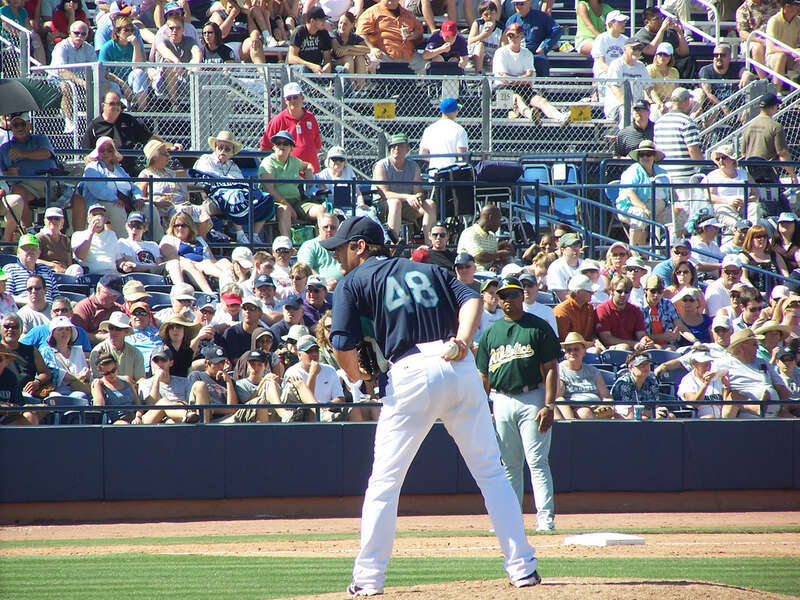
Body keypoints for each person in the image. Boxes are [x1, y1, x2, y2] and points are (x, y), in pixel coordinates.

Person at [323, 216, 543, 593]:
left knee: (385, 483)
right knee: (492, 473)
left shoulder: (352, 281)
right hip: (457, 365)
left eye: (341, 248)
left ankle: (368, 578)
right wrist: (461, 339)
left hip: (409, 370)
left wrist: (361, 377)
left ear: (360, 246)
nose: (337, 256)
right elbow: (472, 297)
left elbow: (342, 347)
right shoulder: (430, 269)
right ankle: (523, 567)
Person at [476, 275, 559, 530]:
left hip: (532, 397)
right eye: (502, 295)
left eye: (512, 294)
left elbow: (551, 368)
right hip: (500, 399)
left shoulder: (538, 326)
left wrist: (549, 404)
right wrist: (483, 408)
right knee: (509, 465)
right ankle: (510, 520)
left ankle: (544, 519)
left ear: (522, 295)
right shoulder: (491, 332)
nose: (507, 299)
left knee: (536, 461)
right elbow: (483, 375)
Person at [492, 23, 570, 125]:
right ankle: (531, 116)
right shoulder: (500, 52)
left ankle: (561, 117)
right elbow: (502, 79)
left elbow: (529, 77)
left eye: (513, 35)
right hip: (502, 89)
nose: (511, 38)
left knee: (541, 101)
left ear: (521, 36)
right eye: (509, 35)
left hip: (522, 87)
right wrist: (521, 79)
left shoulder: (527, 53)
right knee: (517, 98)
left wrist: (513, 80)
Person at [0, 112, 59, 242]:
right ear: (12, 127)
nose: (19, 127)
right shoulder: (4, 149)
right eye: (16, 124)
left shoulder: (40, 139)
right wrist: (11, 174)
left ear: (29, 125)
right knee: (18, 193)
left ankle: (76, 239)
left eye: (22, 124)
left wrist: (22, 154)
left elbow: (46, 153)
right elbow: (4, 173)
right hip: (23, 186)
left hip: (46, 181)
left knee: (78, 198)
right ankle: (28, 232)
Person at [372, 132, 437, 244]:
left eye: (400, 146)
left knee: (430, 204)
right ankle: (393, 244)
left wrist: (417, 197)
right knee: (396, 202)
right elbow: (384, 194)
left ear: (407, 149)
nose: (396, 149)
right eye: (393, 146)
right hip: (383, 206)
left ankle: (429, 245)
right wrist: (407, 197)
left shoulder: (414, 166)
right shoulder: (381, 165)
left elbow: (418, 192)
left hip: (407, 206)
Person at [716, 328, 790, 417]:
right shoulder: (724, 363)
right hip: (743, 414)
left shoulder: (762, 362)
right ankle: (757, 407)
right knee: (734, 395)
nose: (758, 347)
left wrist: (783, 408)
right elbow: (717, 389)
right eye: (754, 344)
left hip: (775, 413)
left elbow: (781, 387)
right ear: (741, 346)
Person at [81, 136, 144, 238]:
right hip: (102, 201)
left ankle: (154, 241)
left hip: (127, 201)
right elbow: (97, 189)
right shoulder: (92, 168)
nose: (105, 153)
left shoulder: (119, 169)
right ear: (97, 152)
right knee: (117, 208)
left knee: (148, 208)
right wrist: (114, 198)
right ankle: (124, 243)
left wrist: (138, 197)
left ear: (113, 152)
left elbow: (132, 186)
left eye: (109, 150)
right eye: (102, 150)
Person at [258, 130, 317, 238]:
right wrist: (288, 206)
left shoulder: (294, 161)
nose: (282, 146)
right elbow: (269, 190)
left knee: (321, 210)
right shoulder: (267, 162)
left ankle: (323, 246)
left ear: (291, 148)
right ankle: (288, 246)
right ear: (274, 147)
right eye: (278, 143)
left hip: (298, 201)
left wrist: (309, 173)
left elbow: (308, 165)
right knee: (284, 210)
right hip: (275, 203)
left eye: (285, 143)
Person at [740, 93, 797, 199]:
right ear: (773, 107)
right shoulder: (775, 126)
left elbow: (743, 152)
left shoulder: (749, 127)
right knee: (780, 201)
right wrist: (793, 175)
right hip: (769, 173)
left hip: (752, 172)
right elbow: (782, 154)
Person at [280, 333, 347, 422]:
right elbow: (306, 404)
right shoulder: (292, 372)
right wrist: (312, 374)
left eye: (316, 350)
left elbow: (340, 399)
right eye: (309, 351)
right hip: (302, 417)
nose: (314, 354)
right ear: (299, 355)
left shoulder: (330, 370)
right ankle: (321, 415)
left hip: (327, 413)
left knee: (354, 410)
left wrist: (325, 407)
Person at [259, 82, 323, 172]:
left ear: (302, 97)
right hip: (288, 177)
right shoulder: (278, 120)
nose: (293, 100)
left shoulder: (311, 118)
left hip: (311, 173)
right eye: (289, 98)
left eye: (295, 97)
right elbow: (265, 148)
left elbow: (317, 146)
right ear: (285, 101)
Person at [617, 140, 671, 246]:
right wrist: (644, 208)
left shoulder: (662, 172)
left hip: (659, 210)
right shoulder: (632, 172)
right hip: (631, 208)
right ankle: (632, 250)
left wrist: (676, 206)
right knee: (641, 215)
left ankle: (672, 249)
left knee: (681, 214)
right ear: (638, 157)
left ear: (654, 156)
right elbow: (630, 193)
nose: (645, 157)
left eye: (649, 154)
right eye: (642, 154)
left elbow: (671, 193)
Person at [159, 211, 228, 293]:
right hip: (188, 267)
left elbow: (212, 259)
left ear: (190, 227)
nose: (180, 228)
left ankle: (234, 287)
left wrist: (209, 263)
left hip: (207, 265)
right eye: (176, 225)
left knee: (225, 262)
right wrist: (200, 264)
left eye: (183, 225)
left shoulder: (199, 239)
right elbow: (174, 258)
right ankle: (210, 293)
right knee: (191, 264)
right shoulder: (168, 239)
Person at [49, 19, 95, 134]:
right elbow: (62, 71)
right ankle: (69, 121)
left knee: (103, 83)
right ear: (70, 33)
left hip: (80, 81)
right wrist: (82, 82)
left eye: (83, 34)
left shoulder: (89, 48)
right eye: (76, 33)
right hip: (56, 80)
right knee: (66, 85)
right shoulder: (62, 47)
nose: (79, 36)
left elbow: (95, 69)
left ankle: (97, 120)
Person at [355, 0, 426, 75]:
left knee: (428, 66)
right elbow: (361, 34)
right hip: (382, 56)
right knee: (370, 62)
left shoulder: (408, 14)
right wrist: (372, 48)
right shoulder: (371, 12)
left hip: (409, 57)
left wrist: (415, 35)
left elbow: (419, 32)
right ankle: (372, 86)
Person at [555, 331, 615, 419]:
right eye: (569, 350)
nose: (572, 352)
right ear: (565, 353)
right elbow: (558, 397)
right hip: (574, 409)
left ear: (584, 351)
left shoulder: (593, 371)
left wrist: (607, 407)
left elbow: (606, 396)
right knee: (585, 412)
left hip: (597, 409)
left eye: (576, 349)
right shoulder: (560, 370)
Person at [98, 13, 151, 111]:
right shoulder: (108, 47)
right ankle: (120, 110)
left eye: (132, 30)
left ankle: (141, 111)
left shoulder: (135, 45)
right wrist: (123, 84)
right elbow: (104, 72)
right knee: (113, 86)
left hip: (131, 80)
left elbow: (137, 67)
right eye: (126, 30)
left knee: (139, 73)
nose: (130, 33)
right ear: (117, 32)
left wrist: (136, 46)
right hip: (115, 81)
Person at [704, 145, 761, 234]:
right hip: (724, 205)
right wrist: (728, 201)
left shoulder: (744, 174)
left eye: (724, 158)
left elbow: (756, 193)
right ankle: (742, 230)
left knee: (754, 207)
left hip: (745, 205)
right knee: (722, 210)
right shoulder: (712, 176)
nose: (721, 161)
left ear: (732, 160)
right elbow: (709, 195)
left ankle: (752, 234)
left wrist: (745, 200)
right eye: (718, 159)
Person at [136, 138, 188, 233]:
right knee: (181, 213)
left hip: (181, 204)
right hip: (163, 208)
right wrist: (157, 204)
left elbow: (190, 173)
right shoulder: (146, 174)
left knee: (200, 211)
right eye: (165, 153)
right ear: (155, 157)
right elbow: (139, 198)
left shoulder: (171, 173)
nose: (169, 156)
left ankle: (200, 243)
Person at [1, 312, 52, 400]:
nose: (10, 330)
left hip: (27, 394)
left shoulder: (31, 350)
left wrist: (37, 382)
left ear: (21, 330)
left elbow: (45, 373)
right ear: (1, 329)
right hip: (4, 394)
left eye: (15, 327)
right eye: (7, 326)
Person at [39, 315, 91, 400]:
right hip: (56, 391)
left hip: (77, 390)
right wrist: (77, 377)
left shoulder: (78, 351)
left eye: (67, 329)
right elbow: (54, 373)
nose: (65, 332)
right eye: (60, 329)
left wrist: (87, 374)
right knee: (55, 397)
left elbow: (84, 374)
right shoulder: (46, 352)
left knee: (79, 396)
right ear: (53, 333)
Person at [505, 0, 561, 77]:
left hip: (534, 54)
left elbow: (556, 30)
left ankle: (541, 87)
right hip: (516, 55)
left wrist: (544, 47)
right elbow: (504, 39)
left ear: (529, 3)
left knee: (541, 61)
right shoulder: (511, 20)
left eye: (521, 4)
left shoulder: (541, 17)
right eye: (516, 4)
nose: (518, 6)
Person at [604, 38, 652, 125]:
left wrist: (654, 101)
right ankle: (626, 137)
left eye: (639, 49)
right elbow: (615, 88)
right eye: (634, 48)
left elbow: (648, 88)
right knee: (627, 112)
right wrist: (629, 104)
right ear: (625, 49)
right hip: (618, 105)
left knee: (655, 110)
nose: (637, 51)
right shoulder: (616, 64)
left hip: (638, 105)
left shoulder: (641, 66)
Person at [595, 275, 649, 351]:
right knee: (624, 347)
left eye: (627, 292)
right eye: (619, 291)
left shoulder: (635, 310)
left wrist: (645, 341)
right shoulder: (602, 309)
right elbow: (606, 339)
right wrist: (634, 344)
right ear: (612, 291)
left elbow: (641, 335)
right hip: (609, 349)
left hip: (633, 347)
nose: (623, 294)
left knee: (666, 348)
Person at [635, 6, 692, 78]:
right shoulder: (641, 35)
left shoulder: (669, 33)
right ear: (647, 22)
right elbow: (650, 51)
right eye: (656, 19)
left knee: (689, 61)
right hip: (651, 64)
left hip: (668, 63)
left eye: (661, 18)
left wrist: (679, 33)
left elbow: (684, 53)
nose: (660, 21)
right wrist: (661, 30)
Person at [419, 97, 469, 176]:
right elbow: (461, 157)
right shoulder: (459, 130)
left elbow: (422, 154)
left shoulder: (429, 129)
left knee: (435, 188)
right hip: (452, 175)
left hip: (434, 173)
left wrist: (436, 161)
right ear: (454, 111)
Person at [3, 234, 58, 304]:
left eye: (34, 249)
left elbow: (56, 295)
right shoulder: (10, 269)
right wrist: (31, 302)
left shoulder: (46, 269)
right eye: (26, 249)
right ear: (18, 252)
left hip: (50, 310)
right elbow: (6, 297)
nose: (30, 252)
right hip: (24, 310)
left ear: (38, 253)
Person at [457, 204, 513, 272]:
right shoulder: (470, 233)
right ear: (490, 217)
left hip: (489, 274)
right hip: (473, 275)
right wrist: (502, 253)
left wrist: (494, 266)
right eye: (499, 220)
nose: (500, 224)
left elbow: (493, 259)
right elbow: (479, 257)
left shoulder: (492, 236)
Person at [70, 202, 121, 275]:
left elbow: (119, 259)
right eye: (94, 215)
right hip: (91, 275)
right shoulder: (78, 235)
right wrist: (91, 233)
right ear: (88, 219)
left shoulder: (111, 234)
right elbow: (80, 256)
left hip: (111, 274)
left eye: (101, 215)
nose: (98, 217)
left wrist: (124, 264)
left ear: (105, 219)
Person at [73, 274, 125, 345]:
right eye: (110, 294)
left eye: (116, 295)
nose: (114, 298)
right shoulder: (83, 308)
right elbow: (77, 334)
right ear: (99, 290)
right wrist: (103, 337)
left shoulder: (118, 309)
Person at [611, 351, 664, 418]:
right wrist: (652, 414)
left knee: (670, 417)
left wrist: (661, 412)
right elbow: (628, 410)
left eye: (647, 364)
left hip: (647, 415)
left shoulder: (652, 382)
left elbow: (656, 405)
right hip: (624, 417)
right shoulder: (623, 383)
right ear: (631, 368)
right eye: (641, 365)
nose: (646, 367)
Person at [739, 223, 789, 294]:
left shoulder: (775, 255)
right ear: (750, 239)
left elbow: (785, 276)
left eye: (765, 237)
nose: (762, 239)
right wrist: (757, 293)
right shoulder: (743, 256)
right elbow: (743, 278)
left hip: (777, 295)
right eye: (758, 237)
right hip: (755, 297)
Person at [188, 344, 233, 422]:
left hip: (225, 420)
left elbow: (232, 409)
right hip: (204, 418)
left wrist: (229, 382)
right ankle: (205, 428)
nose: (220, 366)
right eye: (216, 363)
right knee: (200, 385)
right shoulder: (197, 376)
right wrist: (222, 409)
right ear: (206, 363)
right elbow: (197, 403)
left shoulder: (228, 379)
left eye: (222, 362)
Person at [676, 349, 726, 418]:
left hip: (721, 420)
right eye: (703, 363)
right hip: (699, 422)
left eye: (708, 362)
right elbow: (695, 404)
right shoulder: (687, 380)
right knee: (710, 417)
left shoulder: (717, 376)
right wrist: (705, 384)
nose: (707, 366)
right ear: (693, 364)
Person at [737, 0, 780, 77]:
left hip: (773, 40)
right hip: (752, 41)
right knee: (757, 48)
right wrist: (762, 41)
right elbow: (742, 33)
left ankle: (779, 81)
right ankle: (763, 80)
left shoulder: (773, 4)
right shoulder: (743, 9)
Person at [765, 0, 800, 94]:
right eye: (797, 5)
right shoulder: (774, 21)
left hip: (792, 56)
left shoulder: (798, 21)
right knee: (781, 57)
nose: (799, 8)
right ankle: (775, 95)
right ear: (787, 6)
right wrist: (791, 51)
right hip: (773, 57)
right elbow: (771, 47)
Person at [287, 6, 332, 73]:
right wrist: (311, 66)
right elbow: (291, 58)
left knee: (341, 70)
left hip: (317, 68)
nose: (324, 22)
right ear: (312, 21)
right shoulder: (299, 32)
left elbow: (327, 58)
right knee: (304, 69)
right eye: (322, 20)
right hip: (298, 69)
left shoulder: (324, 33)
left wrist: (328, 65)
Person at [590, 9, 628, 79]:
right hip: (604, 75)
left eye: (624, 22)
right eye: (620, 22)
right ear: (610, 24)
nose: (623, 24)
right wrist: (614, 73)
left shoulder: (626, 40)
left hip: (621, 75)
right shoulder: (601, 39)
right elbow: (601, 63)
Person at [545, 232, 583, 301]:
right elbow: (564, 297)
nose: (576, 249)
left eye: (578, 245)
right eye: (572, 246)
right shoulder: (556, 267)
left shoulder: (586, 265)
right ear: (563, 250)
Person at [332, 11, 372, 76]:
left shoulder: (354, 37)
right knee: (349, 58)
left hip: (350, 63)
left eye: (345, 24)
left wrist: (349, 47)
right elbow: (338, 53)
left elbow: (367, 50)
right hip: (334, 63)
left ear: (352, 25)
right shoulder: (334, 35)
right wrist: (362, 53)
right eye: (340, 23)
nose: (341, 26)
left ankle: (360, 86)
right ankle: (350, 85)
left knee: (360, 58)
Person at [35, 207, 73, 274]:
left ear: (62, 221)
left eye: (56, 218)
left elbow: (69, 263)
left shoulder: (66, 239)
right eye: (49, 218)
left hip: (65, 273)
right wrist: (53, 266)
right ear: (45, 221)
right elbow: (34, 259)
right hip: (47, 274)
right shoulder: (39, 238)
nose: (53, 221)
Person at [466, 0, 501, 72]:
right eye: (486, 14)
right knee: (480, 45)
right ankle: (478, 73)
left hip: (492, 58)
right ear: (481, 15)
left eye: (492, 13)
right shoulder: (478, 23)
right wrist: (483, 35)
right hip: (476, 55)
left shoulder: (501, 28)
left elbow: (503, 47)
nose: (489, 17)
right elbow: (470, 41)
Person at [126, 300, 162, 366]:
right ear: (130, 317)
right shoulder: (124, 333)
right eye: (135, 313)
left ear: (149, 317)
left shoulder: (158, 333)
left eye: (143, 314)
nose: (139, 316)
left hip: (156, 366)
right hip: (134, 368)